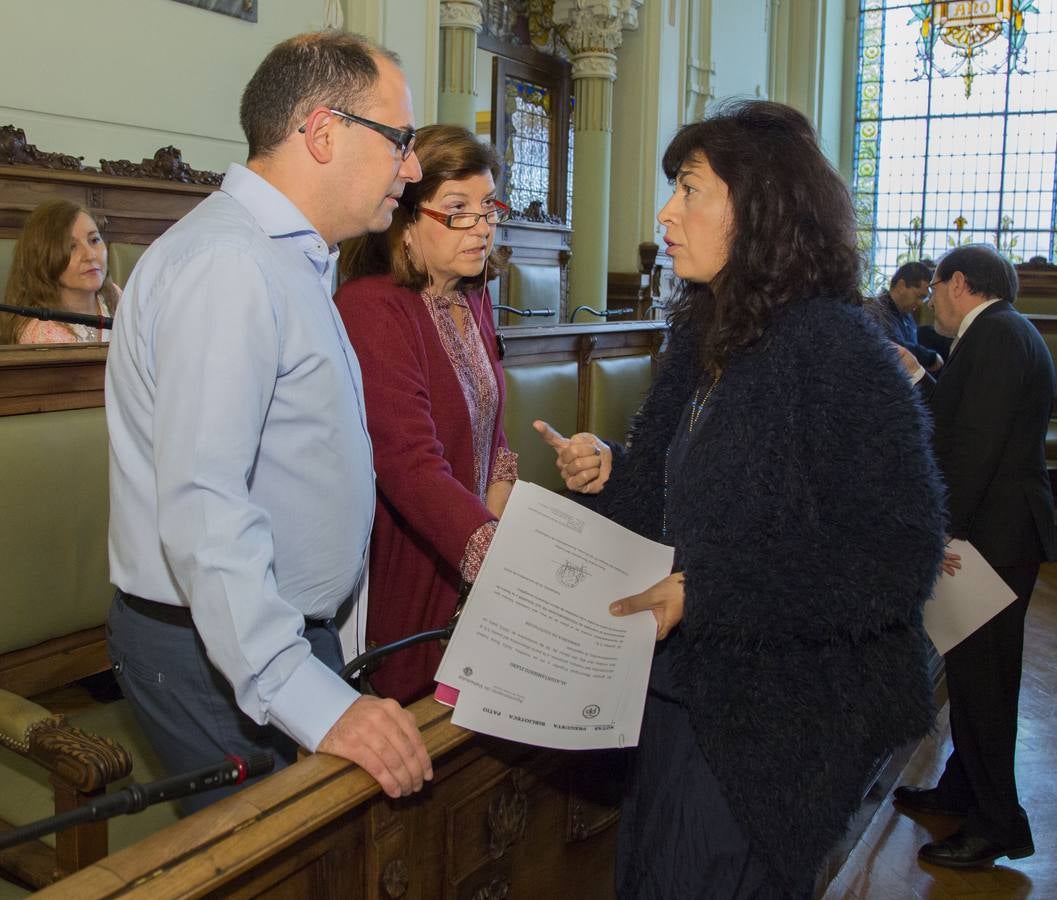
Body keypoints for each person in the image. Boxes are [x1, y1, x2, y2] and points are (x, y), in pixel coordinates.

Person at [535, 100, 946, 898]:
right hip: (675, 695)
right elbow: (679, 493)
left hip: (767, 725)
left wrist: (707, 590)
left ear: (758, 208)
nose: (666, 212)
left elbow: (897, 555)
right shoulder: (705, 337)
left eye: (689, 189)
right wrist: (611, 471)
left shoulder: (834, 350)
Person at [105, 31, 433, 813]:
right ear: (322, 133)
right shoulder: (230, 265)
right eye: (399, 139)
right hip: (211, 643)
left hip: (260, 630)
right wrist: (304, 692)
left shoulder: (286, 257)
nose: (412, 167)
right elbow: (205, 505)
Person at [335, 124, 516, 704]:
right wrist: (495, 558)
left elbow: (493, 433)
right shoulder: (372, 307)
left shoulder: (471, 300)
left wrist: (500, 502)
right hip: (411, 558)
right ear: (408, 223)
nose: (483, 224)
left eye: (488, 206)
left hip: (472, 547)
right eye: (458, 209)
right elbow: (409, 463)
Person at [892, 244, 1055, 868]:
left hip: (991, 536)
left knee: (984, 682)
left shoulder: (994, 337)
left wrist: (938, 531)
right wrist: (919, 377)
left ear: (959, 283)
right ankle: (964, 789)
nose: (932, 297)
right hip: (996, 531)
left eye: (936, 285)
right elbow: (962, 423)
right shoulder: (1002, 334)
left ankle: (999, 824)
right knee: (970, 675)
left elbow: (975, 451)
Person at [0, 200, 121, 344]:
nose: (90, 255)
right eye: (71, 247)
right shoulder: (41, 333)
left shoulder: (114, 294)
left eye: (94, 240)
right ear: (43, 260)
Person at [867, 260, 943, 372]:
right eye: (919, 296)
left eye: (924, 298)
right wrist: (929, 357)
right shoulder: (877, 311)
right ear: (901, 286)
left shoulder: (906, 316)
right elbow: (891, 345)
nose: (921, 303)